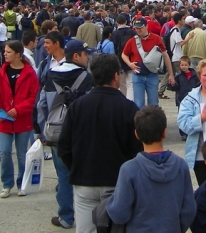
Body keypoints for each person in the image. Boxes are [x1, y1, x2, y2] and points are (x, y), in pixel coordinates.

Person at [58, 54, 142, 233]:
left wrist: (76, 168)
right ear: (116, 76)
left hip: (84, 180)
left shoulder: (77, 106)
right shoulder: (129, 108)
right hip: (117, 181)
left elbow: (64, 146)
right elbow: (137, 149)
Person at [107, 105, 197, 233]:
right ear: (164, 132)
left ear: (136, 134)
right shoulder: (180, 166)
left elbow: (119, 214)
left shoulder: (129, 169)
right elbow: (189, 209)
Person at [38, 37, 95, 229]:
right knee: (83, 175)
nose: (88, 57)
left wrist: (44, 129)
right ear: (76, 56)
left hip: (55, 133)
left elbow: (42, 104)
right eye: (86, 54)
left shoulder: (50, 74)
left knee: (62, 174)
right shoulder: (86, 77)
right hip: (80, 134)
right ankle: (85, 214)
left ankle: (65, 216)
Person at [0, 40, 39, 198]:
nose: (5, 54)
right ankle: (6, 183)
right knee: (4, 152)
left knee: (22, 154)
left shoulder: (29, 73)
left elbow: (33, 97)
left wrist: (19, 109)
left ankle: (22, 183)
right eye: (5, 51)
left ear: (18, 54)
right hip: (5, 121)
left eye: (8, 52)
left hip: (22, 120)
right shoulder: (2, 73)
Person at [121, 17, 175, 108]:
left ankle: (153, 121)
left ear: (146, 26)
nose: (138, 30)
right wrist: (130, 64)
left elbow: (165, 55)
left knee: (153, 103)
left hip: (152, 75)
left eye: (140, 27)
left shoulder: (156, 39)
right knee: (138, 103)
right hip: (138, 75)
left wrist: (171, 74)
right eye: (136, 28)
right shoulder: (132, 40)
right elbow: (124, 54)